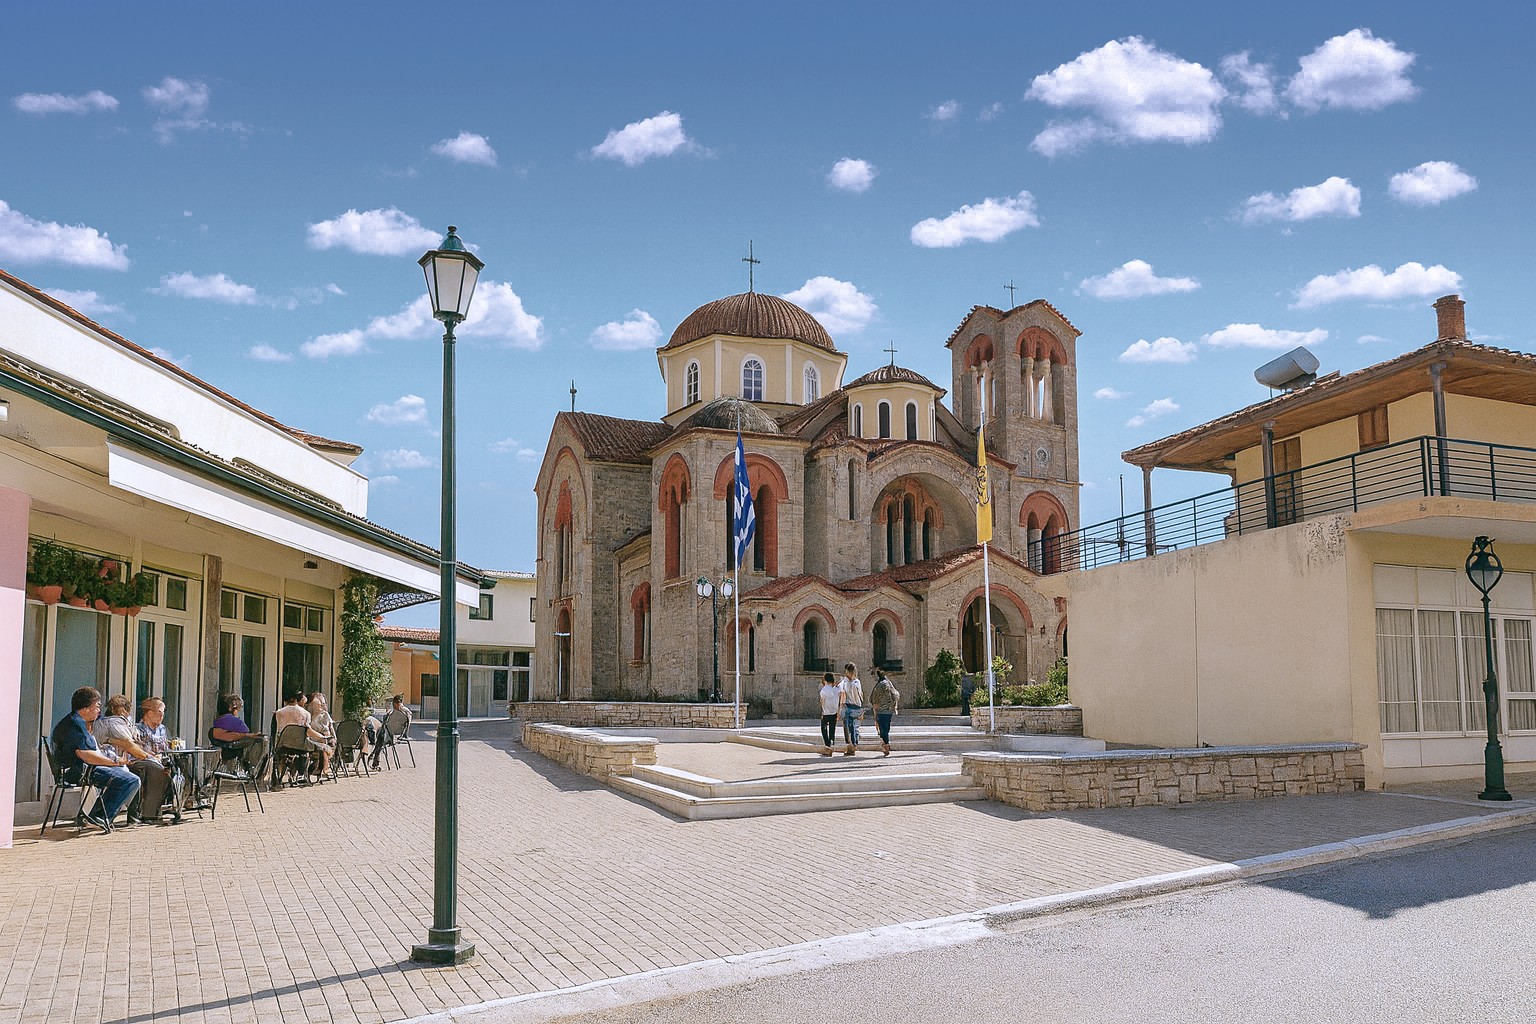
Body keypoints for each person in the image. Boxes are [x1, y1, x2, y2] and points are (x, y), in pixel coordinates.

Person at [50, 686, 139, 833]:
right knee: (130, 780)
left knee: (128, 776)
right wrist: (113, 763)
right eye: (97, 706)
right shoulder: (75, 724)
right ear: (85, 708)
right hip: (78, 771)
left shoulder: (77, 722)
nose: (99, 710)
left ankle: (96, 816)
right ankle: (97, 816)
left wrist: (114, 763)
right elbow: (85, 755)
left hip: (84, 768)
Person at [92, 694, 174, 824]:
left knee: (158, 767)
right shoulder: (114, 722)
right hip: (111, 763)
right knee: (150, 769)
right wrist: (148, 756)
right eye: (125, 709)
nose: (126, 713)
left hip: (113, 762)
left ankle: (150, 812)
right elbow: (130, 745)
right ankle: (141, 814)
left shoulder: (110, 722)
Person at [135, 697, 186, 822]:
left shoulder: (162, 729)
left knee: (184, 766)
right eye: (160, 712)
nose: (162, 715)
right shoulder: (138, 729)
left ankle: (181, 804)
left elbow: (165, 746)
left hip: (163, 759)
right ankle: (150, 814)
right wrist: (151, 755)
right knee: (159, 772)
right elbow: (136, 749)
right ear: (149, 713)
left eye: (163, 712)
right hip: (144, 760)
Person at [275, 691, 332, 781]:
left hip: (283, 744)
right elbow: (308, 731)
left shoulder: (278, 713)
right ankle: (312, 771)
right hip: (300, 745)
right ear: (297, 700)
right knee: (322, 748)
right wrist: (321, 737)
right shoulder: (305, 714)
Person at [210, 693, 267, 775]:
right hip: (232, 747)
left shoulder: (218, 720)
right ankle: (250, 767)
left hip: (222, 745)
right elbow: (245, 730)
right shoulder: (234, 721)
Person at [869, 669, 901, 757]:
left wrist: (875, 707)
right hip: (889, 710)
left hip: (880, 710)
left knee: (882, 729)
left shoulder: (879, 685)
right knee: (886, 728)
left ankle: (885, 744)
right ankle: (885, 744)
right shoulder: (888, 683)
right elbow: (896, 695)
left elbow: (873, 698)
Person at [838, 662, 864, 757]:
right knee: (850, 727)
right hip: (851, 706)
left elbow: (859, 695)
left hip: (854, 706)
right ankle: (852, 745)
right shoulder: (845, 682)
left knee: (853, 727)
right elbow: (840, 691)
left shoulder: (855, 682)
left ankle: (852, 745)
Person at [817, 672, 842, 757]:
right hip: (834, 712)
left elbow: (822, 701)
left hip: (826, 712)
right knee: (832, 729)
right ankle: (832, 743)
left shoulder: (824, 690)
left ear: (825, 680)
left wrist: (823, 709)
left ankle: (827, 746)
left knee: (824, 729)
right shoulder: (836, 690)